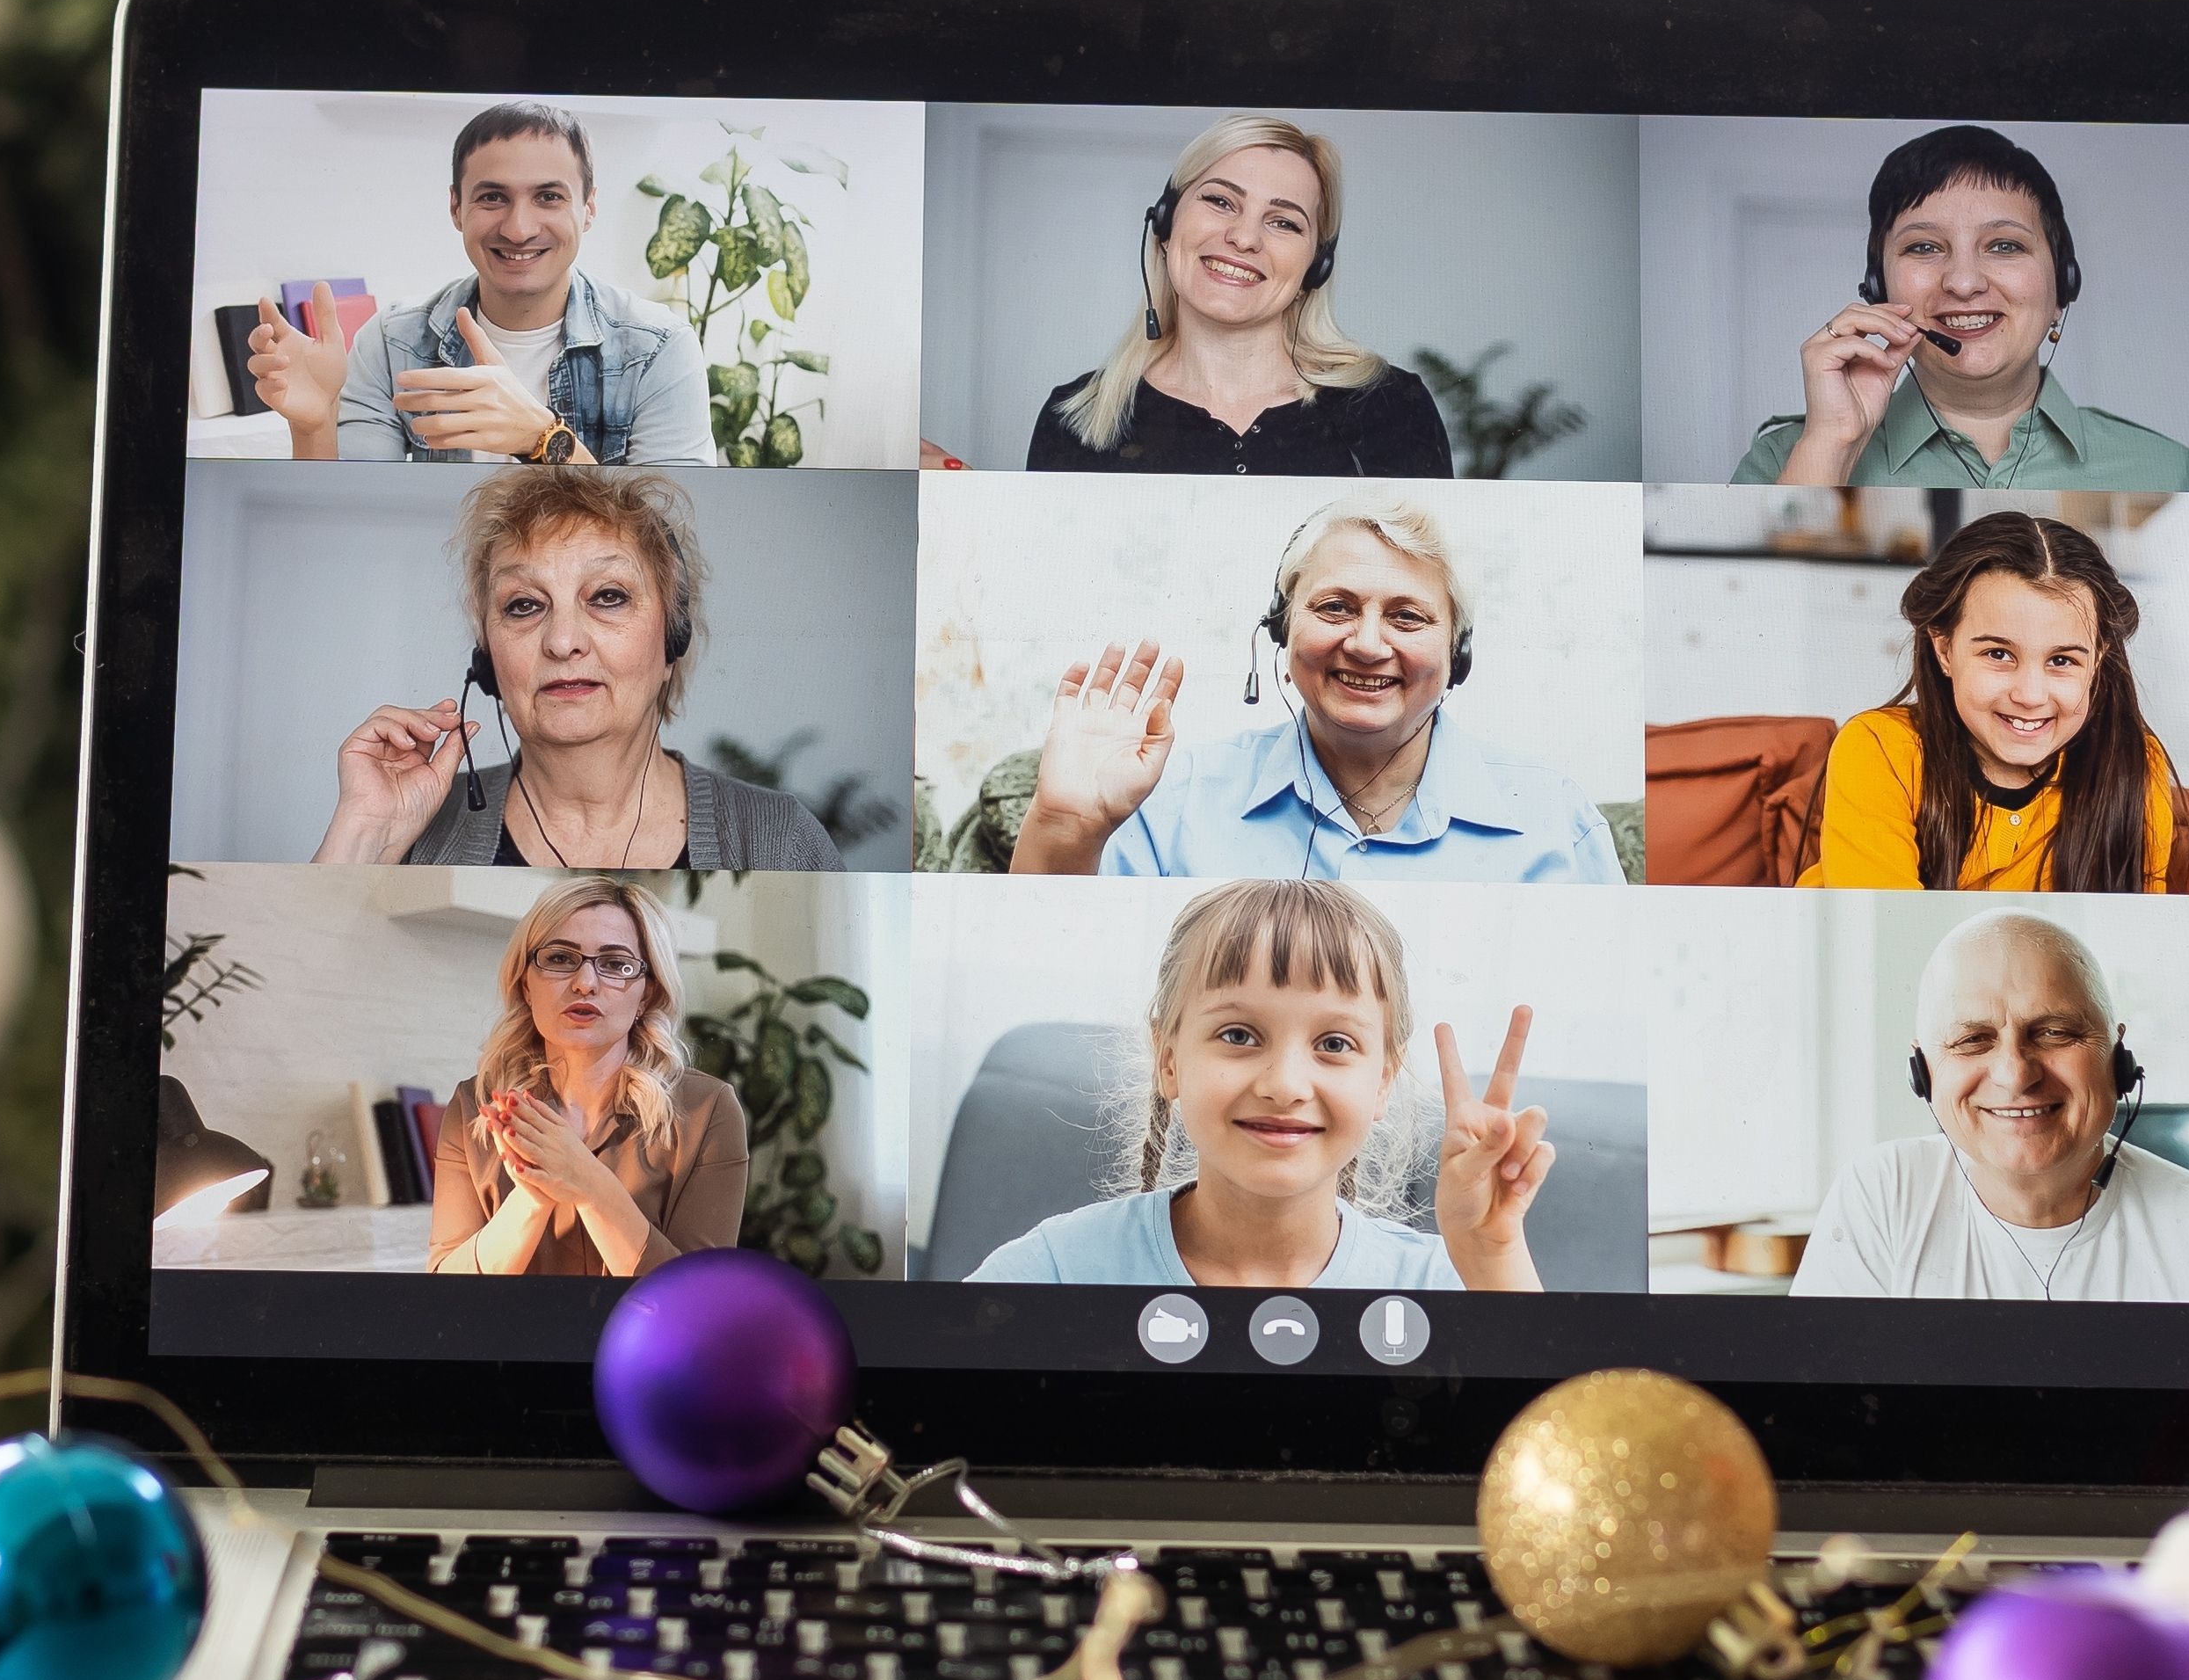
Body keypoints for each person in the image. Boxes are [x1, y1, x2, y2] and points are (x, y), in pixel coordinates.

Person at [966, 881, 1550, 1291]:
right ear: (1168, 1060)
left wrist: (1492, 1256)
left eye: (1335, 1044)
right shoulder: (1055, 1270)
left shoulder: (1451, 1281)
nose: (1286, 1085)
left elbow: (1563, 1451)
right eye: (1240, 1035)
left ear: (1382, 1084)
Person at [1004, 496, 1620, 884]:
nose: (1368, 644)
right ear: (1281, 629)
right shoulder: (1172, 805)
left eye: (1408, 616)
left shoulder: (1557, 823)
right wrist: (1065, 828)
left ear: (1456, 653)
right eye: (1335, 607)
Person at [316, 461, 842, 869]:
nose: (563, 641)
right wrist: (367, 835)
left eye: (608, 596)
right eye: (524, 605)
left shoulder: (780, 838)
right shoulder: (418, 830)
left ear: (672, 641)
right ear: (488, 660)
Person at [1791, 912, 2189, 1305]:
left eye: (2055, 1033)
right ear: (1923, 1073)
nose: (2016, 1074)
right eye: (1973, 1040)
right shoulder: (1883, 1197)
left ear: (2118, 1058)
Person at [1733, 125, 2189, 490]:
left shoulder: (2168, 470)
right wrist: (1831, 446)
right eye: (1923, 248)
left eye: (2004, 246)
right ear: (1878, 288)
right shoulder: (1783, 460)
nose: (1963, 283)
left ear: (2063, 284)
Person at [245, 100, 715, 464]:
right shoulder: (394, 340)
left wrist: (543, 440)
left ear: (588, 208)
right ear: (456, 208)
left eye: (549, 197)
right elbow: (347, 520)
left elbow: (666, 537)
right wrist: (313, 426)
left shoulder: (657, 347)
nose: (519, 228)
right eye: (493, 197)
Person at [1025, 117, 1453, 475]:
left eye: (1284, 222)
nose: (1245, 238)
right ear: (1165, 225)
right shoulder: (1076, 418)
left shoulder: (1391, 408)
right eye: (1221, 201)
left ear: (1316, 266)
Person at [1801, 510, 2180, 892]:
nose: (2030, 696)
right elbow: (1885, 935)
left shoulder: (2135, 766)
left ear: (2097, 661)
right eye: (1998, 654)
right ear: (1945, 649)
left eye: (2062, 661)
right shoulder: (1881, 748)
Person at [426, 878, 748, 1279]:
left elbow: (696, 1302)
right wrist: (533, 1195)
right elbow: (444, 1290)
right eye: (560, 959)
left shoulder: (708, 1108)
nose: (585, 983)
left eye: (616, 965)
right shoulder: (474, 1105)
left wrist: (586, 1179)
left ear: (646, 994)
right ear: (526, 984)